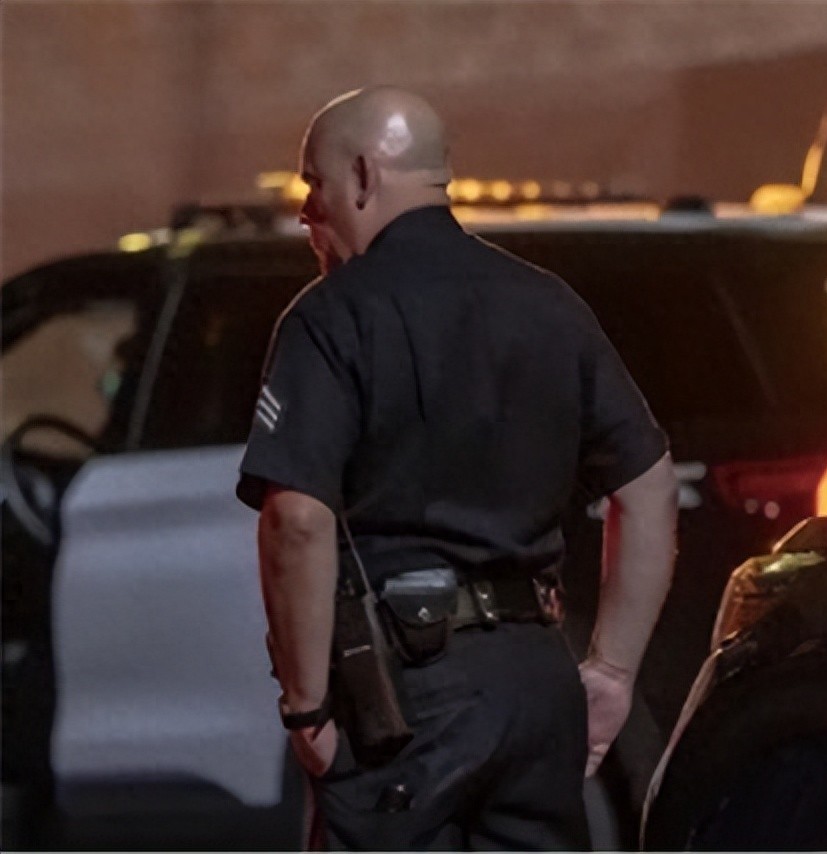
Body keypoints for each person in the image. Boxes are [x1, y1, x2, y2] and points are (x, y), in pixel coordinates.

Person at [236, 85, 678, 851]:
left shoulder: (334, 314)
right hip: (535, 680)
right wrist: (610, 672)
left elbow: (297, 521)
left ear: (364, 176)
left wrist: (306, 710)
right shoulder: (550, 305)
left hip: (404, 693)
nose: (307, 210)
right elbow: (649, 487)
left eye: (314, 183)